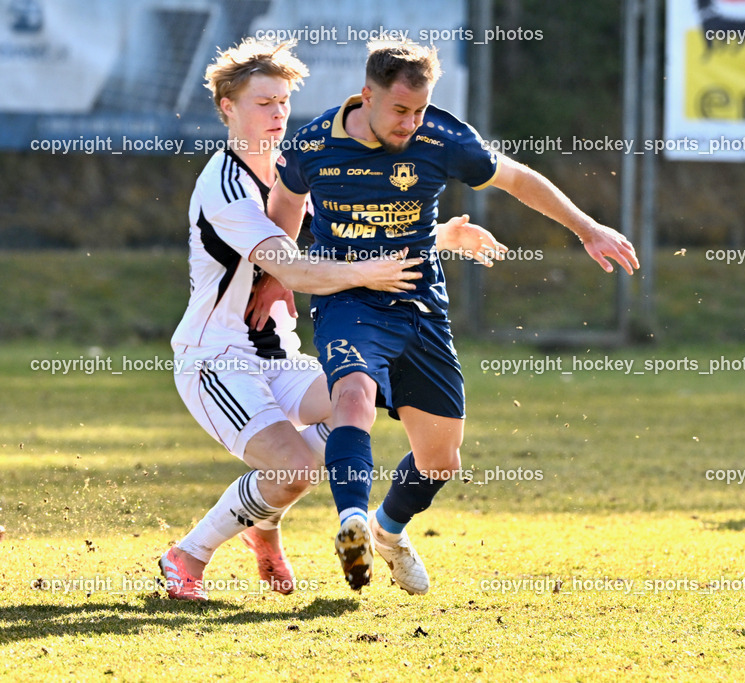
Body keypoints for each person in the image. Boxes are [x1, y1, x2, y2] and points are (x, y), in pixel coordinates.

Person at [268, 42, 639, 594]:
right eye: (399, 111)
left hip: (420, 306)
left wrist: (587, 229)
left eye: (419, 110)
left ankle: (386, 531)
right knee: (353, 396)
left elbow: (515, 179)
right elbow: (283, 215)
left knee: (440, 460)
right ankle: (350, 522)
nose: (410, 123)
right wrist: (275, 277)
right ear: (366, 95)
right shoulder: (313, 145)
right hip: (349, 299)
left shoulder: (442, 138)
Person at [160, 39, 506, 601]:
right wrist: (364, 275)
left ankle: (270, 524)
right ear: (227, 107)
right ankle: (188, 555)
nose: (276, 115)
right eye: (262, 103)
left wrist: (445, 236)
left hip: (280, 355)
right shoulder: (224, 185)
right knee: (295, 467)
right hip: (218, 360)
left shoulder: (299, 167)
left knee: (362, 404)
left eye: (282, 103)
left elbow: (358, 235)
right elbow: (295, 269)